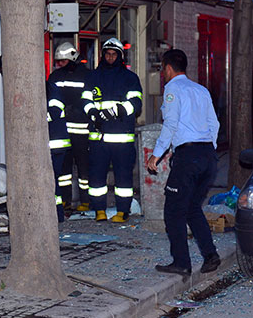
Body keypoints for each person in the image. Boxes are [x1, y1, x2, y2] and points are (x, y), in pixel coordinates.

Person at [147, 49, 220, 276]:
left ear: (168, 68)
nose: (162, 74)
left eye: (162, 69)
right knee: (191, 208)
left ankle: (181, 263)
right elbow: (214, 124)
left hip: (189, 157)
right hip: (208, 155)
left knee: (173, 210)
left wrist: (155, 155)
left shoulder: (173, 89)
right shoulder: (201, 90)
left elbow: (170, 125)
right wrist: (208, 149)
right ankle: (211, 256)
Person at [81, 38, 143, 222]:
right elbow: (85, 100)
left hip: (121, 139)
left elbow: (136, 103)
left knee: (123, 178)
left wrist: (114, 111)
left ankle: (123, 212)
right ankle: (99, 210)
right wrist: (93, 113)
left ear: (120, 56)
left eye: (114, 54)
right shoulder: (93, 76)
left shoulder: (130, 78)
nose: (110, 57)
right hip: (98, 138)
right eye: (107, 54)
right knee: (96, 178)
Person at [48, 42, 91, 212]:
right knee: (63, 169)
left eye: (63, 61)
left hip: (82, 130)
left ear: (73, 58)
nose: (60, 64)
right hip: (62, 130)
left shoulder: (87, 76)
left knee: (83, 167)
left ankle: (85, 201)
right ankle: (64, 200)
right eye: (59, 62)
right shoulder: (55, 77)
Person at [47, 80, 71, 222]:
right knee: (52, 180)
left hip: (55, 145)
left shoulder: (52, 90)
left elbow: (54, 112)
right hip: (52, 144)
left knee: (52, 180)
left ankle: (57, 214)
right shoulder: (50, 89)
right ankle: (56, 214)